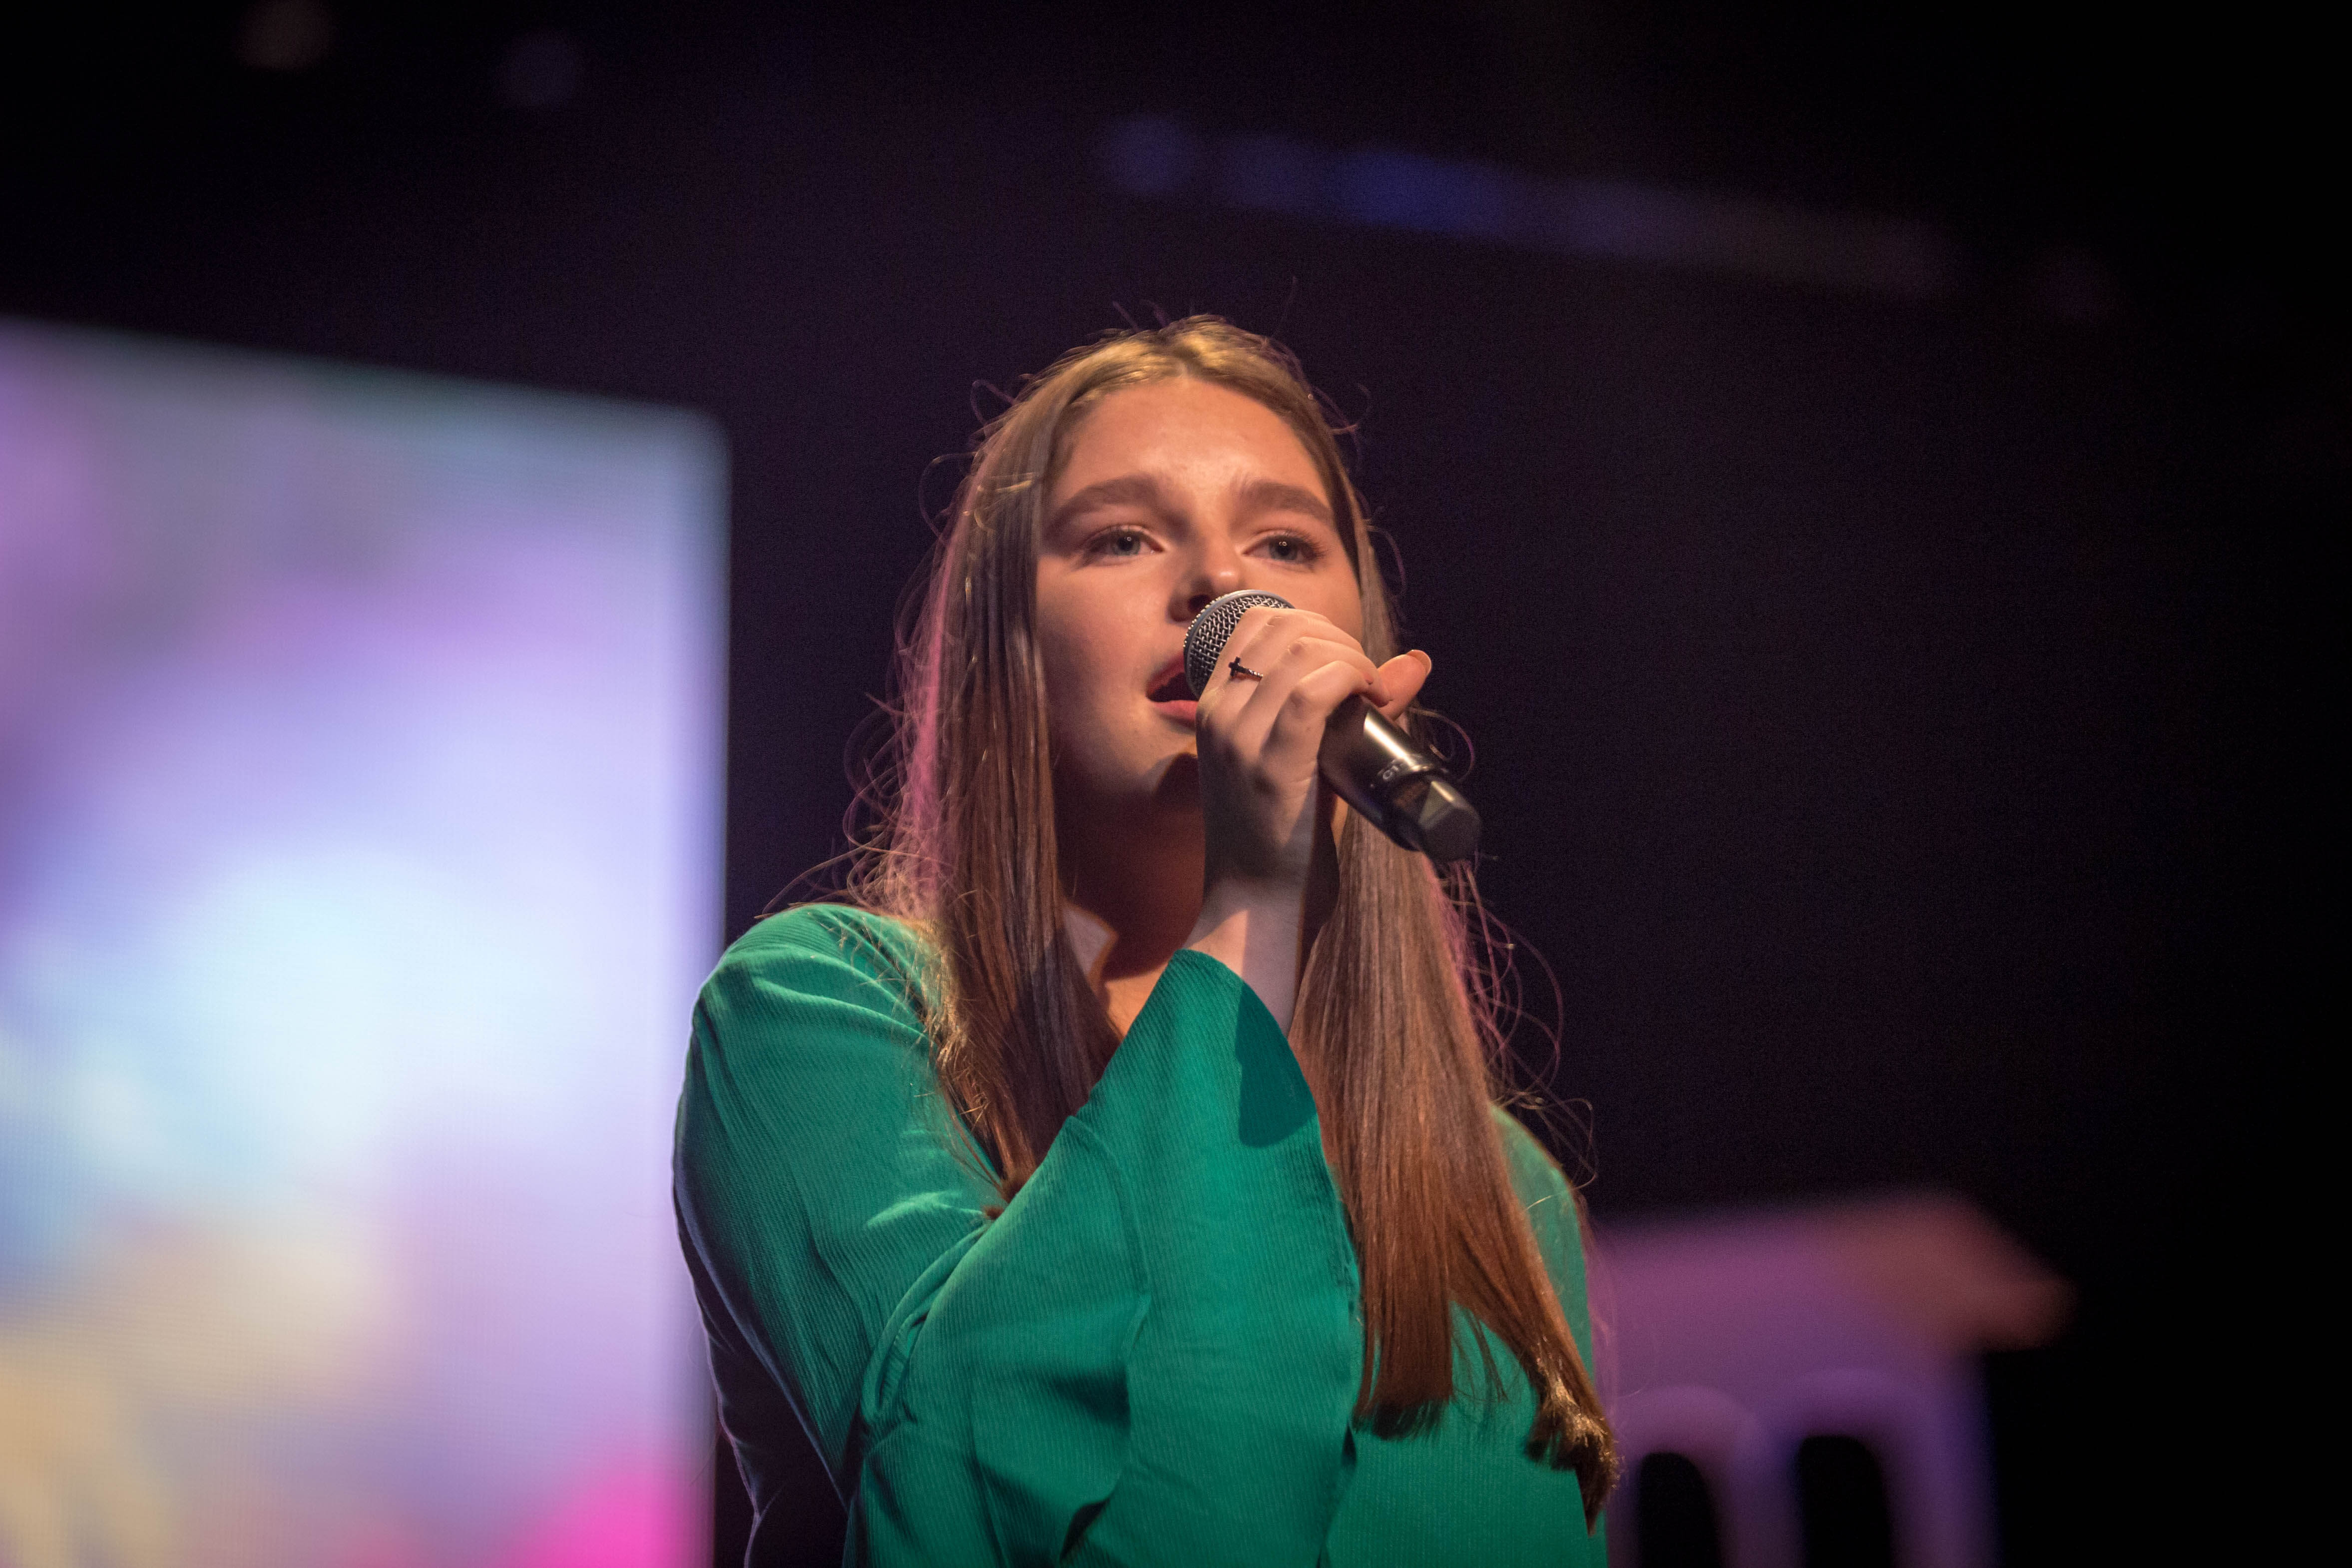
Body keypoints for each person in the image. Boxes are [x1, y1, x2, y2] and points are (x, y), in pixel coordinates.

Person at [674, 318, 1618, 1567]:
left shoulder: (1500, 1184)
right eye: (1122, 537)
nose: (1227, 596)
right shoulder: (820, 1017)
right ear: (1007, 651)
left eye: (1285, 544)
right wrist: (1252, 907)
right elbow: (984, 1522)